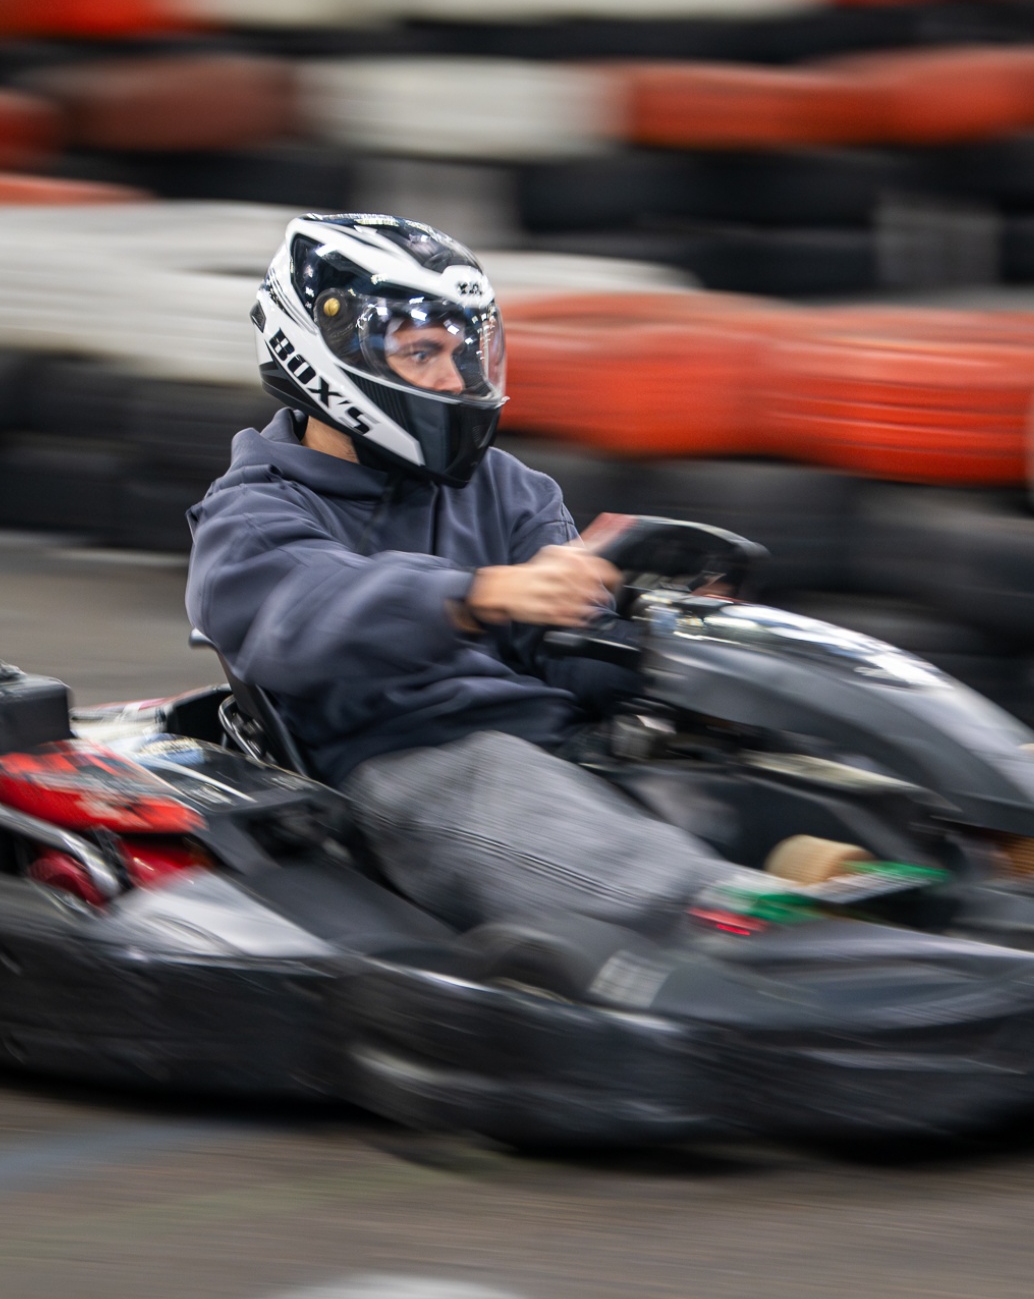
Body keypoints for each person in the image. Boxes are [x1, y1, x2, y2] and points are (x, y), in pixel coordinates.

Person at [186, 214, 795, 938]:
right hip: (409, 766)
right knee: (523, 792)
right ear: (324, 354)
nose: (455, 380)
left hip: (555, 745)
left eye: (464, 353)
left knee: (751, 769)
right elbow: (307, 614)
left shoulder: (505, 487)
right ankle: (753, 927)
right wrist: (476, 595)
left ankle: (863, 885)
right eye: (422, 353)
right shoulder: (254, 512)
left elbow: (570, 651)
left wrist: (666, 646)